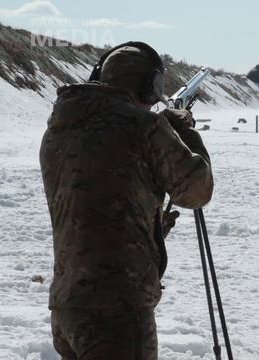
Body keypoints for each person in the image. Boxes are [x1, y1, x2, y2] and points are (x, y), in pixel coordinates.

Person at [39, 41, 213, 359]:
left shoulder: (58, 131)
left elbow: (98, 201)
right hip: (116, 313)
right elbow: (197, 191)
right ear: (150, 88)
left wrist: (152, 221)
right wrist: (184, 132)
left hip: (66, 307)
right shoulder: (144, 128)